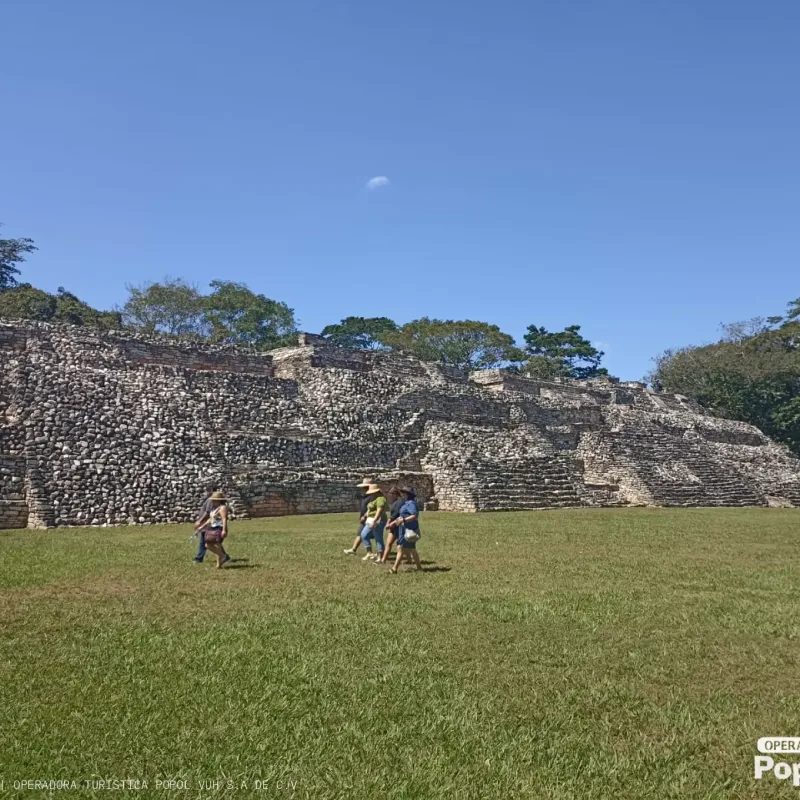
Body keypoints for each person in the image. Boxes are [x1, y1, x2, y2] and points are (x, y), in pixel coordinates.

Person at [193, 486, 231, 565]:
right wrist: (201, 527)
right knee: (216, 545)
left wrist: (224, 530)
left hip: (218, 528)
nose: (212, 501)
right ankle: (219, 564)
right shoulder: (215, 508)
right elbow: (211, 519)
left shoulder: (222, 508)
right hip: (212, 527)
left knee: (209, 545)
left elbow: (224, 519)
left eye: (214, 500)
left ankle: (223, 556)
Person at [390, 487, 422, 574]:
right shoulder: (406, 503)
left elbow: (414, 516)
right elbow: (402, 516)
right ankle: (419, 567)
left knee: (401, 548)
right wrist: (393, 523)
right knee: (412, 549)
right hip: (403, 529)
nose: (402, 494)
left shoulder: (411, 504)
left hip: (408, 529)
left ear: (408, 494)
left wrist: (403, 520)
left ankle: (394, 568)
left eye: (404, 493)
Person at [357, 484, 388, 561]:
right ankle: (369, 553)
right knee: (364, 534)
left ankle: (380, 557)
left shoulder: (380, 499)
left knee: (378, 537)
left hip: (378, 520)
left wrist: (374, 520)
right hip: (370, 519)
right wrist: (365, 516)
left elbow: (379, 510)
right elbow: (370, 509)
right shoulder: (374, 498)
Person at [344, 479, 372, 556]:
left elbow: (372, 508)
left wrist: (365, 516)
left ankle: (372, 552)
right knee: (360, 534)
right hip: (364, 519)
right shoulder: (366, 496)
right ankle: (354, 549)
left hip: (370, 519)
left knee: (371, 536)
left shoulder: (372, 496)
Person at [378, 486, 404, 564]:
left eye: (391, 494)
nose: (390, 496)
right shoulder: (395, 501)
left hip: (398, 524)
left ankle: (410, 560)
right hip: (394, 525)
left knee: (401, 546)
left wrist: (388, 523)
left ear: (395, 494)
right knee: (389, 543)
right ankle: (383, 560)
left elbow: (396, 514)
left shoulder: (400, 501)